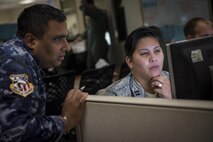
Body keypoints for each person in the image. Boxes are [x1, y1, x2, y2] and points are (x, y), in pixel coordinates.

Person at [0, 4, 88, 141]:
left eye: (66, 38)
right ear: (31, 40)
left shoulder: (21, 56)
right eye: (58, 39)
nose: (67, 47)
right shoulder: (17, 63)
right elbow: (16, 131)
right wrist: (66, 121)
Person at [96, 27, 172, 99]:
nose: (154, 58)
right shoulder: (113, 95)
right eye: (144, 53)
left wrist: (172, 98)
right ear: (130, 62)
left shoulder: (174, 81)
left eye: (157, 51)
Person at [79, 0, 109, 69]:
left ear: (92, 5)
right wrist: (79, 38)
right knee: (91, 69)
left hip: (99, 46)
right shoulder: (92, 19)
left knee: (102, 68)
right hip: (91, 47)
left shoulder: (98, 13)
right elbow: (87, 32)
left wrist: (83, 4)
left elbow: (86, 11)